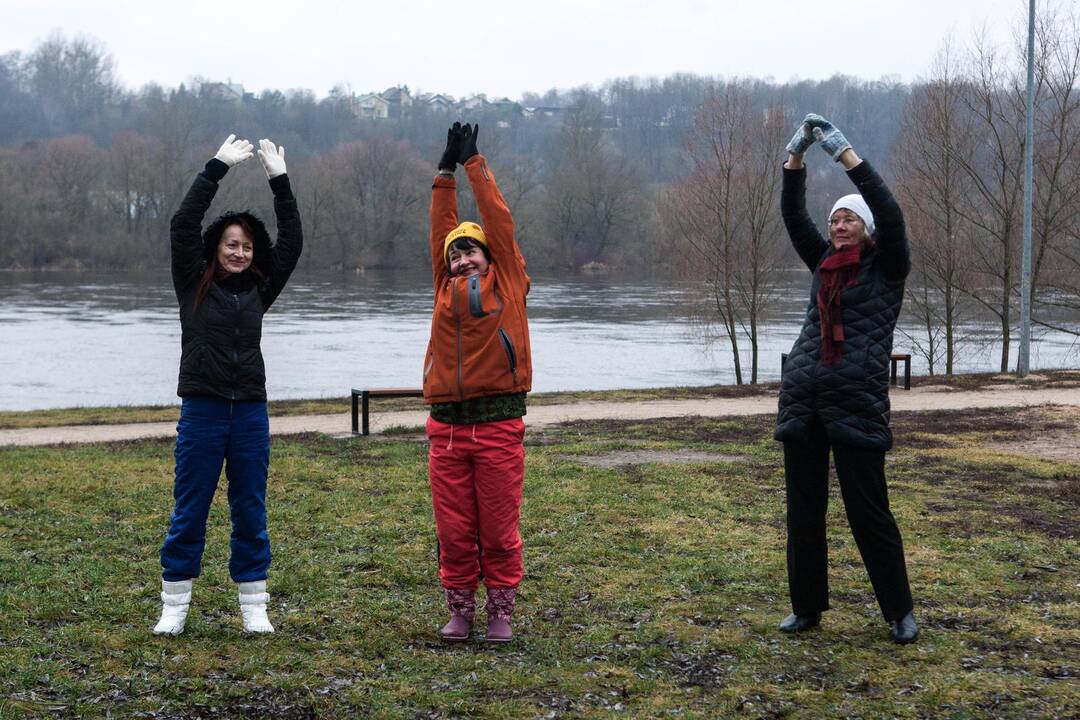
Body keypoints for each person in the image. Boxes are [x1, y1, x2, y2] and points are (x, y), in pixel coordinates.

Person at [775, 113, 918, 644]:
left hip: (855, 402)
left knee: (869, 512)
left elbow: (890, 209)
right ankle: (807, 607)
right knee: (804, 513)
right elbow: (793, 216)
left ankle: (899, 611)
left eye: (848, 220)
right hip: (805, 399)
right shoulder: (822, 266)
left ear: (866, 229)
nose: (838, 225)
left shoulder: (888, 267)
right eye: (834, 219)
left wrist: (844, 154)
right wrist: (795, 159)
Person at [153, 134, 303, 636]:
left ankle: (253, 604)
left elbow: (294, 242)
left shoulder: (260, 287)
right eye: (231, 244)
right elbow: (181, 224)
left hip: (250, 414)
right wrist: (215, 167)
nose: (239, 252)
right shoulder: (192, 281)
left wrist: (279, 182)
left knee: (250, 506)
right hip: (203, 410)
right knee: (190, 505)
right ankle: (174, 604)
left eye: (246, 246)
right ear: (215, 248)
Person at [424, 122, 532, 643]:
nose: (462, 257)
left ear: (491, 257)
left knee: (497, 528)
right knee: (454, 530)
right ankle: (460, 609)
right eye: (455, 253)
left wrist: (474, 165)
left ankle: (501, 611)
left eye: (472, 251)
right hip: (445, 429)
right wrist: (443, 174)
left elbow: (497, 220)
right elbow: (440, 229)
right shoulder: (444, 288)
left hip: (498, 426)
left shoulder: (508, 280)